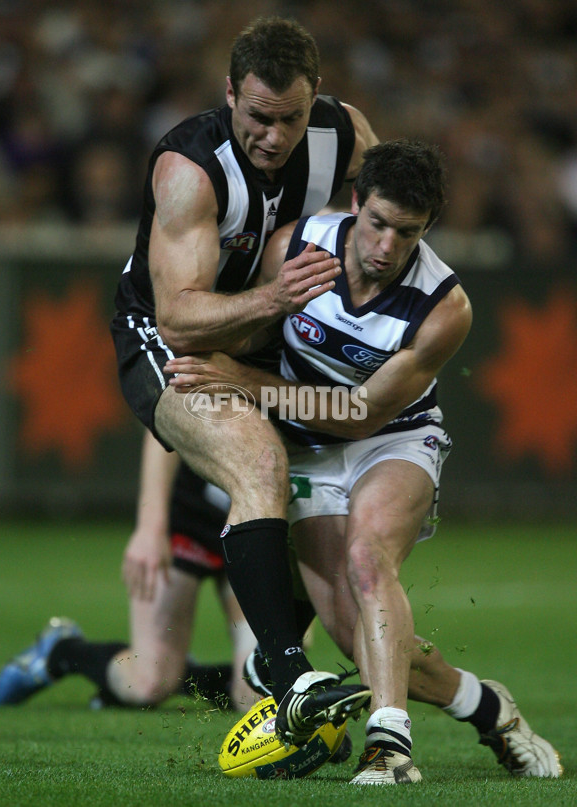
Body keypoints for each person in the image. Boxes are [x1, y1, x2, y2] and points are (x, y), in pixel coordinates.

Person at [163, 139, 563, 784]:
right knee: (357, 640)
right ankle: (487, 706)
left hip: (395, 440)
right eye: (377, 223)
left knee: (366, 557)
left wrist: (243, 379)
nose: (384, 246)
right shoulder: (295, 246)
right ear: (355, 204)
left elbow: (360, 413)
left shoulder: (444, 308)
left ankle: (390, 747)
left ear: (426, 229)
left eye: (406, 233)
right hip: (308, 454)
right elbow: (249, 324)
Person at [108, 15, 379, 744]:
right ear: (230, 93)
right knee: (258, 458)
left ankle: (290, 667)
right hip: (166, 344)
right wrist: (280, 296)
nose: (274, 136)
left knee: (336, 485)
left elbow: (389, 216)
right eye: (258, 117)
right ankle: (288, 676)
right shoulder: (189, 167)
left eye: (291, 118)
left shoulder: (345, 136)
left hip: (267, 344)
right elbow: (180, 321)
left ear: (317, 98)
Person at [0, 431, 259, 712]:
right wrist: (150, 528)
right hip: (189, 513)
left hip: (256, 523)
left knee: (257, 695)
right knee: (148, 683)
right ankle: (62, 652)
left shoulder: (300, 392)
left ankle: (178, 668)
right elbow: (165, 420)